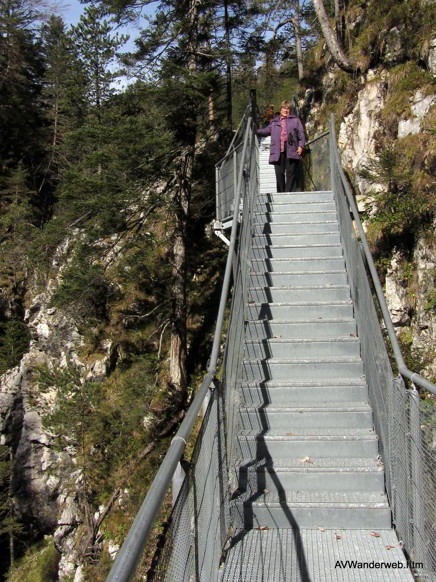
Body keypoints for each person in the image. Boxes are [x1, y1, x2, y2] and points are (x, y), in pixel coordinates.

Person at [257, 100, 305, 192]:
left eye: (288, 109)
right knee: (279, 173)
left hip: (291, 148)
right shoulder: (275, 121)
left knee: (291, 173)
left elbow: (301, 134)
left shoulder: (295, 120)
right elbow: (266, 131)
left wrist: (301, 146)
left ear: (290, 110)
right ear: (281, 109)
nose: (286, 110)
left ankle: (288, 194)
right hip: (278, 149)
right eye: (284, 108)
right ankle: (281, 193)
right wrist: (256, 131)